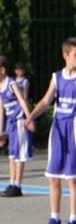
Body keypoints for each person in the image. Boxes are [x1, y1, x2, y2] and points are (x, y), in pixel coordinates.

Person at [27, 37, 76, 224]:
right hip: (57, 128)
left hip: (74, 127)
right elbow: (45, 101)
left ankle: (74, 220)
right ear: (66, 55)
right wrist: (30, 116)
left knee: (72, 178)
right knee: (53, 176)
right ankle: (54, 219)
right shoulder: (56, 77)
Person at [0, 56, 34, 197]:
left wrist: (29, 118)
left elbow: (22, 100)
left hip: (20, 120)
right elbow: (1, 109)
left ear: (2, 70)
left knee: (19, 153)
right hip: (11, 123)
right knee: (12, 154)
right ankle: (12, 183)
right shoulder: (0, 86)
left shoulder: (11, 83)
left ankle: (18, 185)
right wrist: (1, 131)